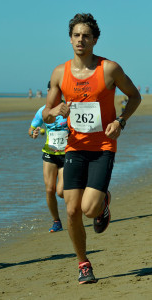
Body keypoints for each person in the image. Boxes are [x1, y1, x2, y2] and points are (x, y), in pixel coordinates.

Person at [42, 13, 141, 284]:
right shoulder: (60, 73)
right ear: (70, 39)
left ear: (95, 39)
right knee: (72, 210)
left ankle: (102, 204)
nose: (80, 40)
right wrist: (56, 110)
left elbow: (135, 96)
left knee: (88, 209)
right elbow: (47, 114)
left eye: (86, 35)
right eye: (76, 35)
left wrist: (121, 121)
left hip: (103, 147)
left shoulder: (109, 69)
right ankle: (83, 263)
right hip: (74, 147)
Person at [28, 81, 68, 232]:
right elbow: (30, 130)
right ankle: (56, 221)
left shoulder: (68, 108)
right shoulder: (43, 111)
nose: (56, 94)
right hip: (49, 154)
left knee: (61, 191)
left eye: (59, 91)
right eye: (53, 91)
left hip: (66, 155)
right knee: (49, 190)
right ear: (48, 92)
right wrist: (34, 133)